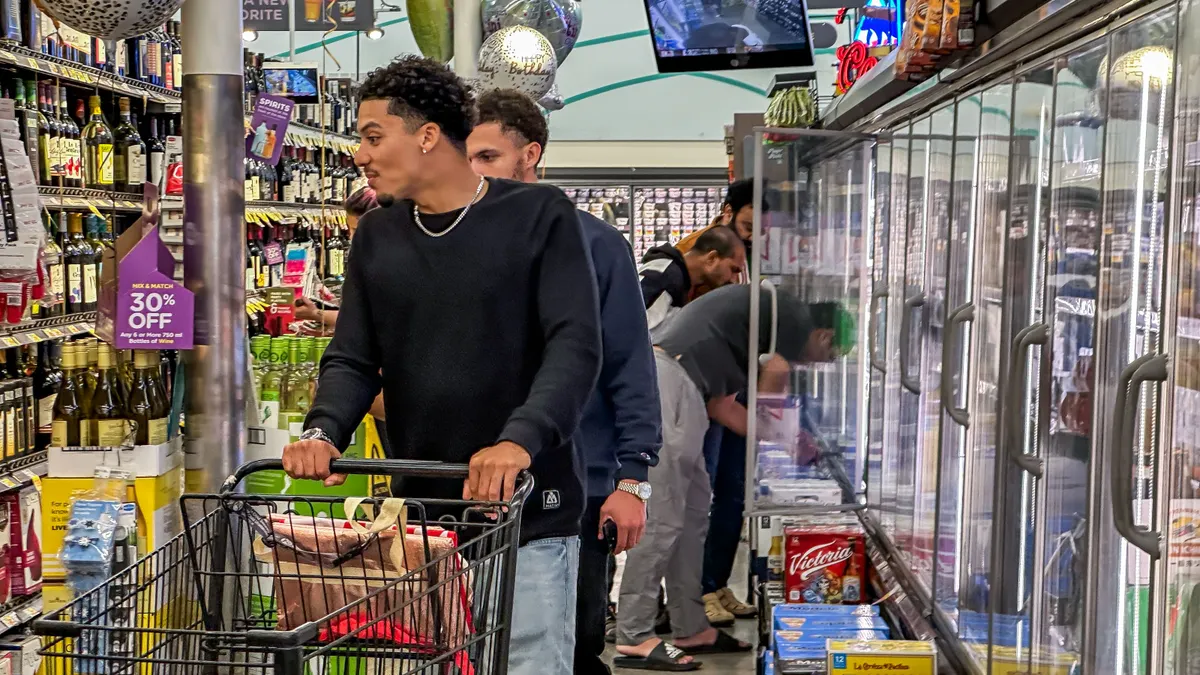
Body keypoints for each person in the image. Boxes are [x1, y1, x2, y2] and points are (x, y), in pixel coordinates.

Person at [281, 57, 602, 675]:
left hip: (527, 515)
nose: (360, 154)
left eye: (374, 136)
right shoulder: (377, 235)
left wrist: (519, 440)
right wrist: (324, 430)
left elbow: (575, 346)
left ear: (427, 134)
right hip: (422, 525)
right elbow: (352, 356)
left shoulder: (540, 217)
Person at [468, 88, 663, 675]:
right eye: (465, 157)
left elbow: (629, 360)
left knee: (570, 644)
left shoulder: (596, 244)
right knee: (474, 643)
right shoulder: (453, 240)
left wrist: (633, 480)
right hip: (472, 482)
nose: (473, 173)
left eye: (487, 157)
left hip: (580, 480)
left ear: (530, 154)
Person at [614, 285, 847, 671]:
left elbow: (722, 408)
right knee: (663, 517)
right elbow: (775, 375)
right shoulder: (793, 319)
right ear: (823, 335)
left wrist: (788, 442)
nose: (822, 363)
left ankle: (690, 626)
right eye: (830, 354)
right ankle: (634, 635)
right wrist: (787, 434)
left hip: (682, 388)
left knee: (691, 515)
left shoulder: (750, 331)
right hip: (668, 384)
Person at [294, 186, 381, 332]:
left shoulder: (387, 264)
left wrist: (316, 314)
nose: (352, 237)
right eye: (350, 230)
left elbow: (372, 321)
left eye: (356, 230)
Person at [639, 225, 744, 332]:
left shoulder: (676, 277)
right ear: (712, 258)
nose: (734, 280)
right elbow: (633, 328)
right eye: (733, 270)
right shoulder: (664, 277)